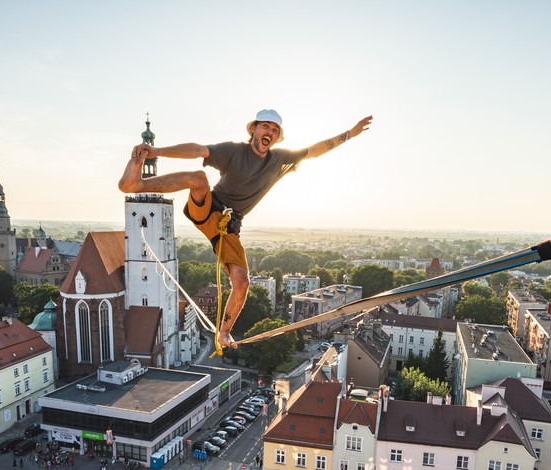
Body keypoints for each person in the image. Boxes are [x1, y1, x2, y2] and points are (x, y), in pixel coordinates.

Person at [118, 110, 373, 348]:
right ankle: (137, 185)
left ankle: (224, 332)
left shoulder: (280, 159)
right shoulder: (234, 151)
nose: (270, 132)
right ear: (253, 130)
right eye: (265, 126)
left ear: (277, 137)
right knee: (198, 178)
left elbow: (316, 150)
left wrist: (349, 134)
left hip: (229, 227)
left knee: (242, 283)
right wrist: (157, 151)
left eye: (274, 130)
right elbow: (197, 149)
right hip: (209, 207)